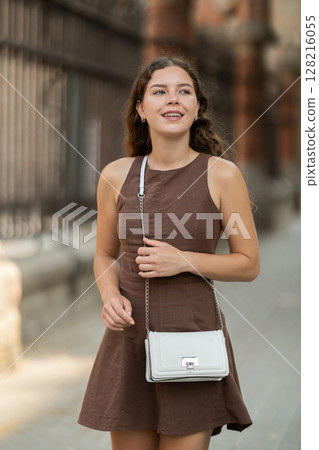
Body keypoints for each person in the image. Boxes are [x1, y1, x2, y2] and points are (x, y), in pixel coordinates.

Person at [78, 56, 260, 450]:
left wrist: (183, 260)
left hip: (192, 340)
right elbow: (105, 254)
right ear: (141, 109)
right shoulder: (115, 175)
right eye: (159, 91)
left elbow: (248, 264)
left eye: (184, 91)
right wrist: (109, 296)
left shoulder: (222, 175)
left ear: (197, 108)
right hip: (128, 341)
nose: (172, 99)